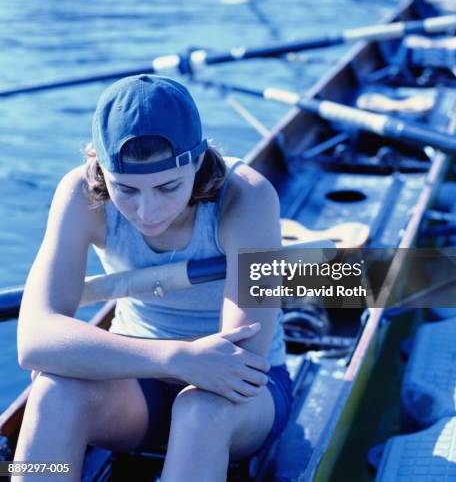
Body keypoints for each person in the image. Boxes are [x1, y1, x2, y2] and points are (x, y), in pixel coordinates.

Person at [15, 75, 292, 481]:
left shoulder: (247, 197)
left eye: (167, 187)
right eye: (126, 189)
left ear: (197, 161)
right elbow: (34, 341)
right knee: (51, 394)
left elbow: (240, 366)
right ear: (98, 166)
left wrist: (82, 353)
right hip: (136, 382)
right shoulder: (79, 192)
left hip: (244, 399)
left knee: (200, 411)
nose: (147, 212)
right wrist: (175, 357)